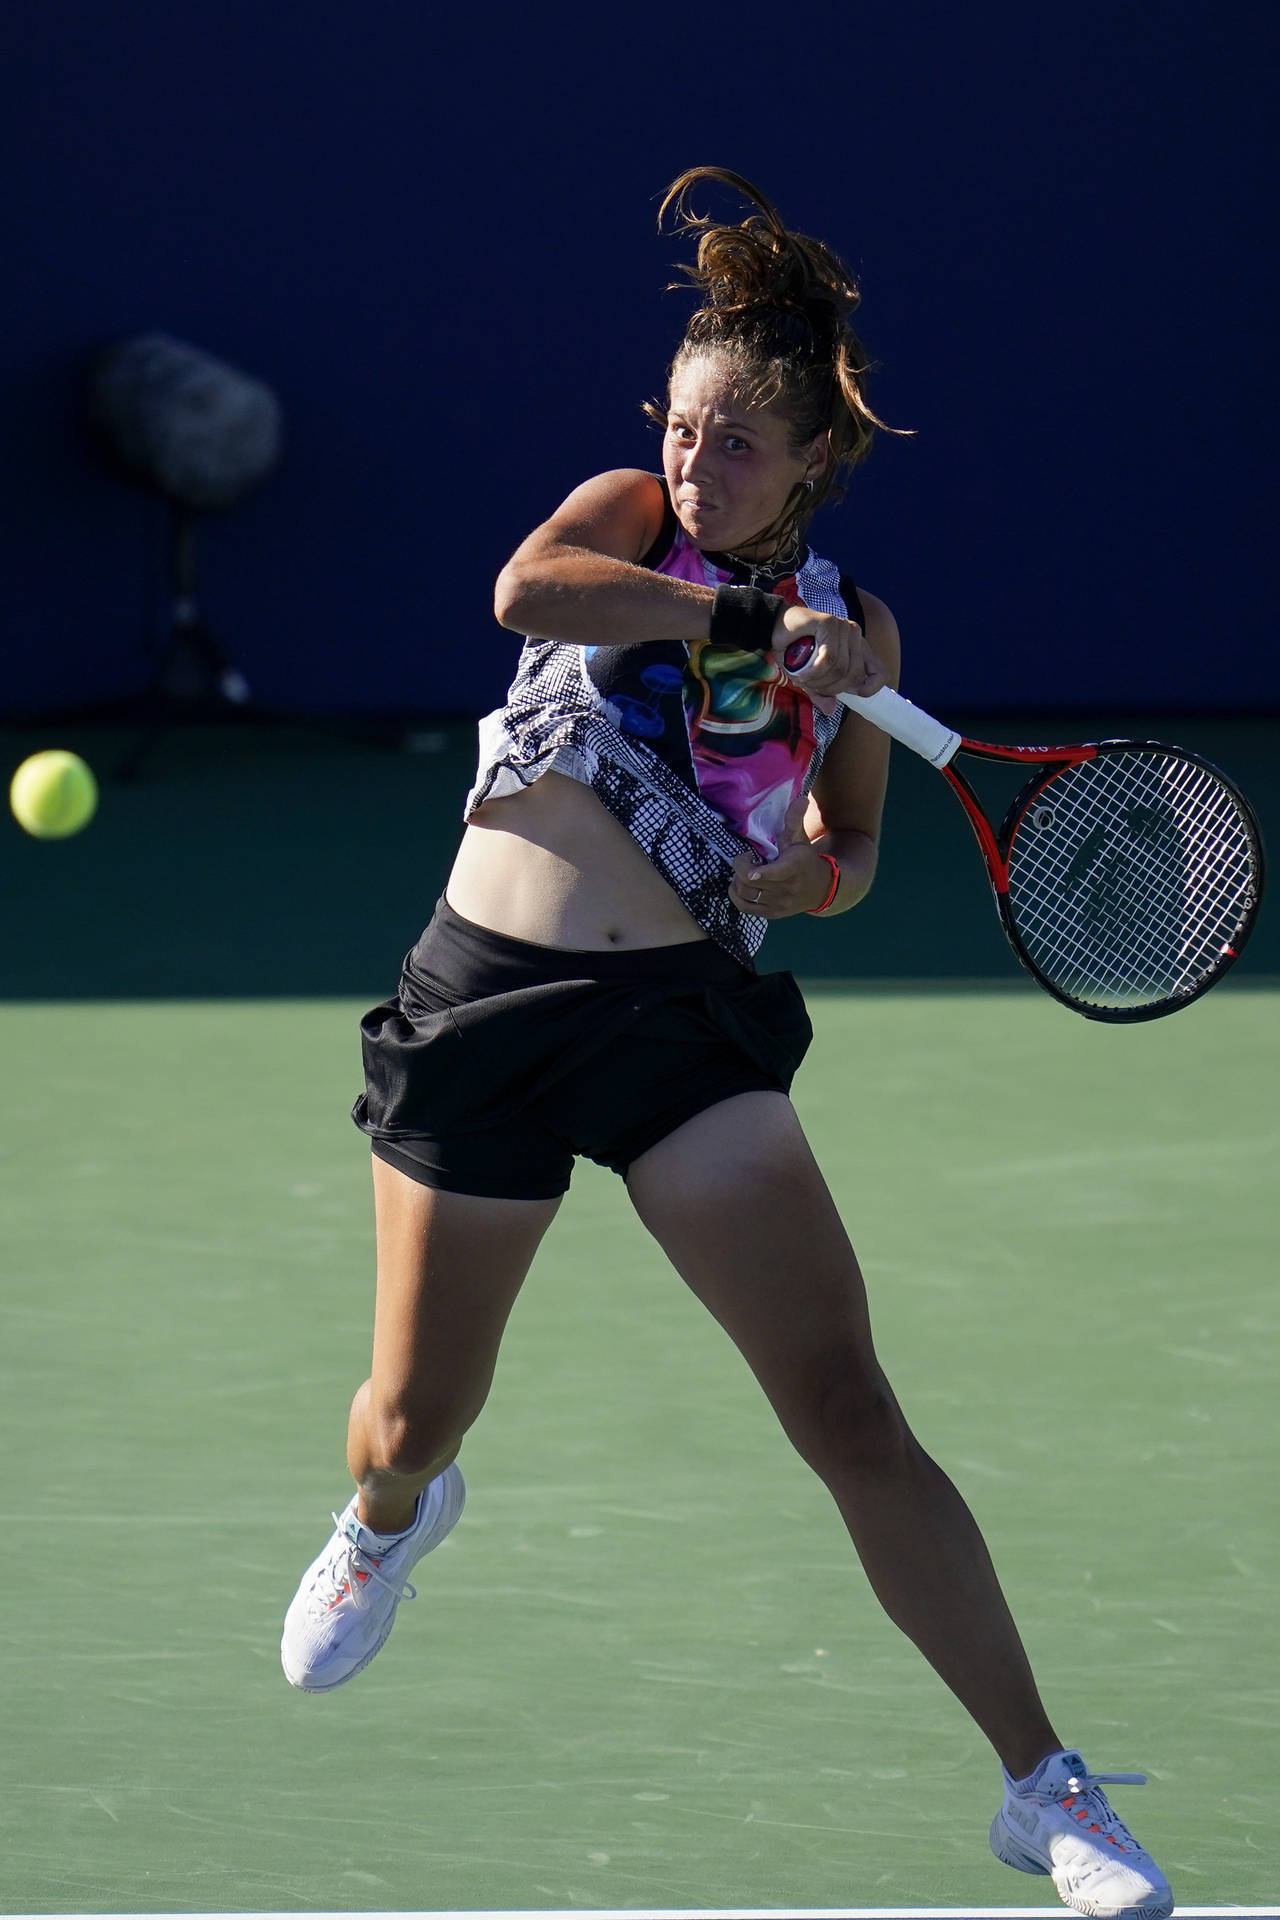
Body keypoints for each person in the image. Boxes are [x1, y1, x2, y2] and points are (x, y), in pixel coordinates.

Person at [280, 168, 1172, 1920]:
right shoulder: (623, 525)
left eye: (740, 446)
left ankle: (1039, 1784)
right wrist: (738, 618)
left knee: (849, 1405)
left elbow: (844, 863)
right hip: (485, 1004)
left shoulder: (866, 634)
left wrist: (801, 866)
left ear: (814, 462)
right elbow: (529, 596)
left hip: (684, 1030)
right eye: (687, 433)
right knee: (406, 1416)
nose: (700, 467)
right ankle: (389, 1518)